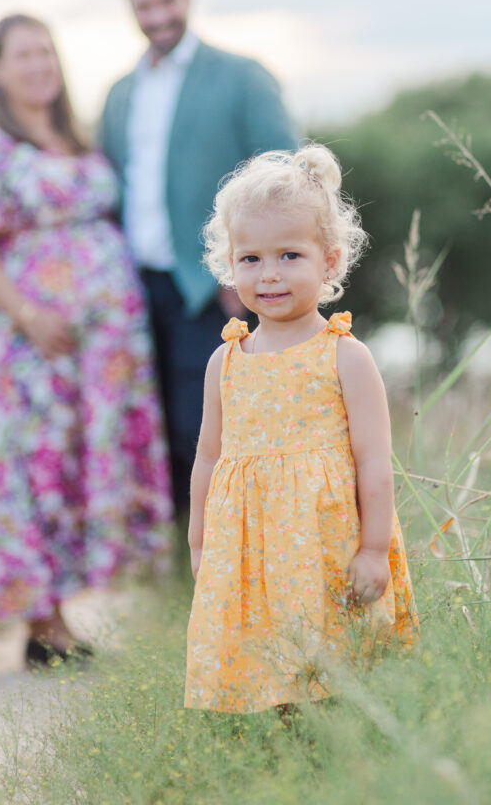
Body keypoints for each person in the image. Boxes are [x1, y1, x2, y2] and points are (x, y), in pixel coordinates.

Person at [0, 14, 173, 668]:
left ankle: (68, 616)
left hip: (101, 351)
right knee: (33, 467)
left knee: (79, 465)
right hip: (31, 345)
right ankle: (44, 627)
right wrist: (26, 313)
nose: (39, 64)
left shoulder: (74, 137)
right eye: (23, 55)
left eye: (46, 52)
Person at [184, 144, 418, 713]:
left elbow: (374, 463)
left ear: (330, 261)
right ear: (229, 264)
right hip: (251, 553)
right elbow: (209, 462)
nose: (269, 275)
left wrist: (372, 549)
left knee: (341, 676)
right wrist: (198, 544)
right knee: (268, 672)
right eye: (251, 259)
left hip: (326, 545)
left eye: (290, 255)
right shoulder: (227, 361)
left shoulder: (345, 356)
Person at [100, 0, 297, 508]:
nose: (158, 15)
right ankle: (178, 564)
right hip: (136, 289)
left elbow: (284, 178)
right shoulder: (120, 93)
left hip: (214, 290)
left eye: (167, 0)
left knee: (209, 431)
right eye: (144, 5)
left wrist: (247, 274)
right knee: (153, 432)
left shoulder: (241, 78)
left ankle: (226, 563)